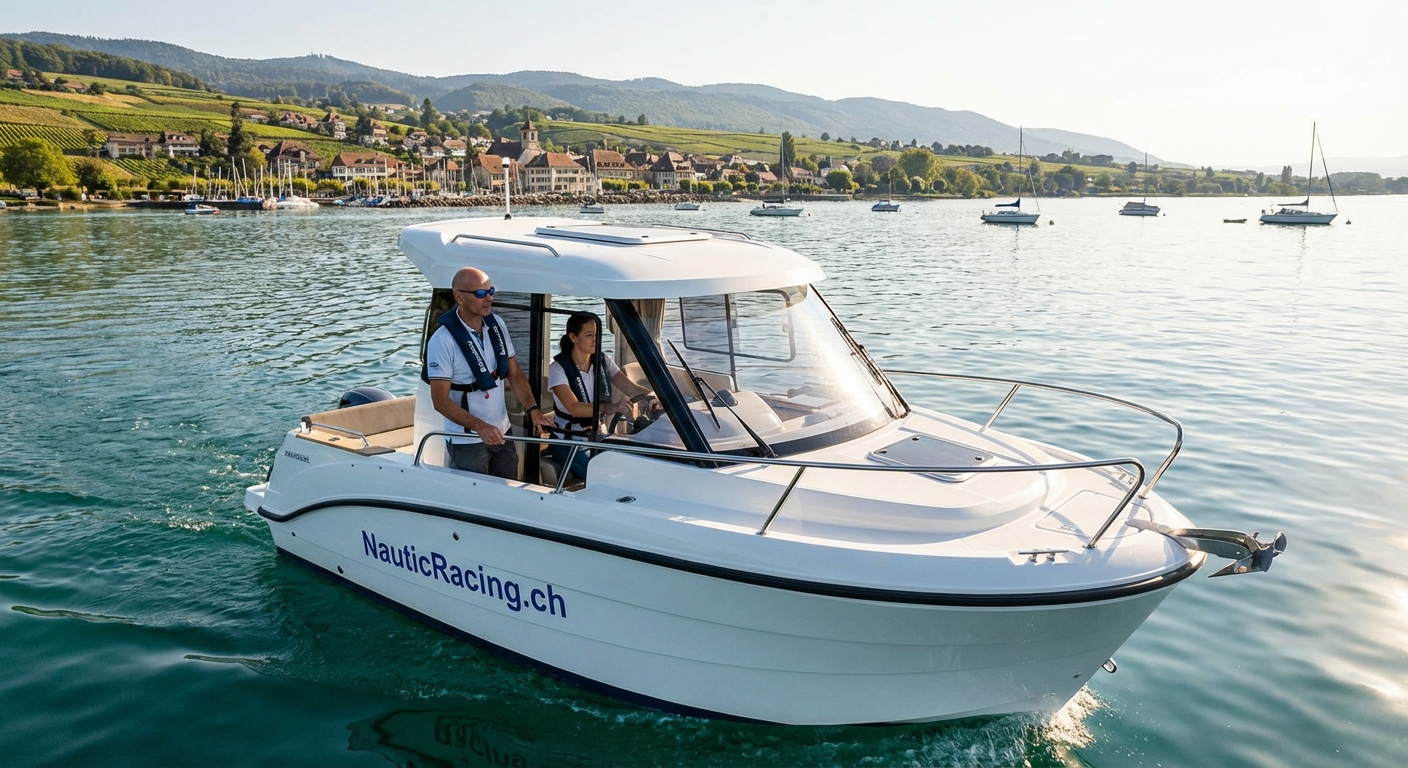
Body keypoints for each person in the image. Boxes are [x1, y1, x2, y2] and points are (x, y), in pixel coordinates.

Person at [426, 267, 553, 479]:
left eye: (491, 291)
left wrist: (533, 410)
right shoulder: (442, 341)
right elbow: (439, 401)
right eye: (480, 294)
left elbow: (515, 373)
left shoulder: (497, 325)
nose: (489, 298)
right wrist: (481, 427)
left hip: (502, 432)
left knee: (507, 494)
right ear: (459, 297)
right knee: (472, 500)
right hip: (467, 441)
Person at [547, 311, 656, 481]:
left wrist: (654, 397)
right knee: (607, 478)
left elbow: (631, 388)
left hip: (600, 438)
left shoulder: (603, 360)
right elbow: (574, 408)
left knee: (637, 468)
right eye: (589, 335)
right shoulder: (558, 369)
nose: (595, 340)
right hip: (570, 443)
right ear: (573, 337)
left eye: (597, 334)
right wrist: (612, 407)